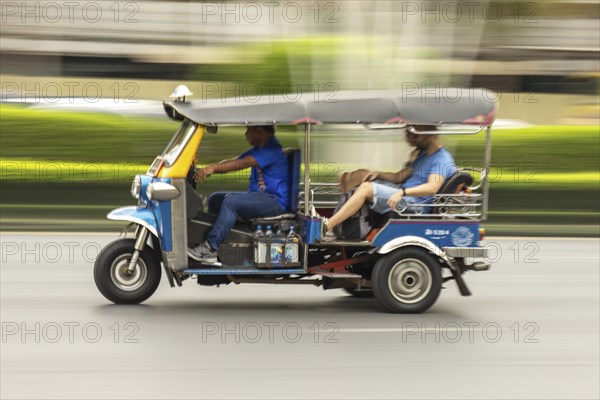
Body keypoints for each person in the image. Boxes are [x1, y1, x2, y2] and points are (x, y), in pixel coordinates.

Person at [323, 125, 456, 234]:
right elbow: (399, 177)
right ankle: (344, 225)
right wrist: (377, 174)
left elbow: (432, 188)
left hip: (414, 205)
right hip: (403, 195)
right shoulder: (423, 155)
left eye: (416, 134)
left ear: (430, 133)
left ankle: (328, 225)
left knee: (366, 188)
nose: (411, 138)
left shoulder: (442, 159)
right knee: (360, 175)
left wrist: (402, 192)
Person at [188, 125, 289, 263]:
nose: (245, 134)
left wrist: (212, 168)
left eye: (248, 130)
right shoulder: (259, 150)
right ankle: (221, 244)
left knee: (231, 203)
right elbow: (235, 161)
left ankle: (210, 247)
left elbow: (242, 163)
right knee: (215, 199)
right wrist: (207, 169)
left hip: (274, 202)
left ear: (259, 131)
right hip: (260, 197)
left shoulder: (271, 150)